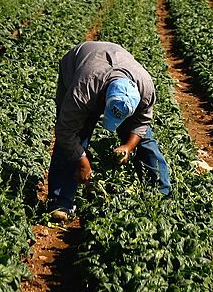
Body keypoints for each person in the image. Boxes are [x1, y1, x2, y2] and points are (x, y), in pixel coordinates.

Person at [47, 40, 171, 221]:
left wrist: (128, 146)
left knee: (145, 143)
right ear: (104, 98)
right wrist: (83, 163)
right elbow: (65, 131)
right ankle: (60, 202)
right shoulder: (83, 90)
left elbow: (142, 123)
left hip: (112, 63)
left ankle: (161, 197)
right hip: (76, 65)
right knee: (75, 136)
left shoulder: (145, 88)